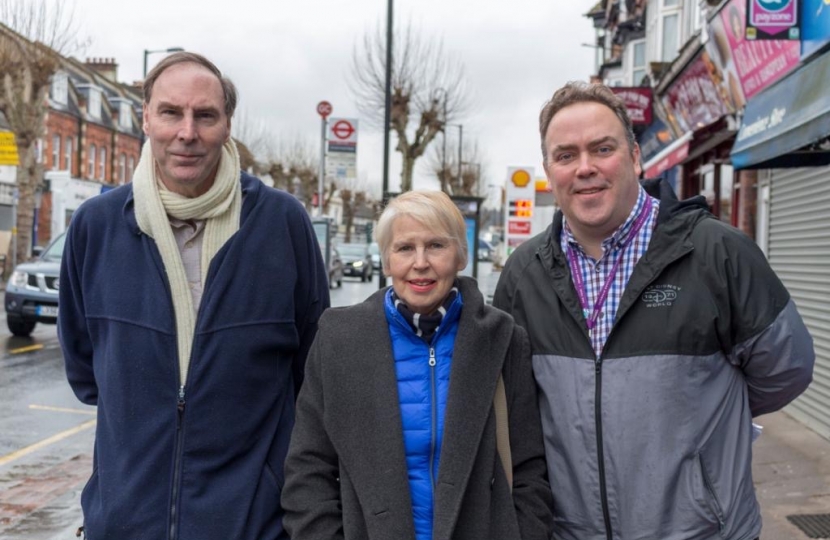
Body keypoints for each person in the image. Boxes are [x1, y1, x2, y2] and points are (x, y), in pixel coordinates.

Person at [493, 81, 814, 540]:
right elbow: (516, 408)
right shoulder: (524, 275)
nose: (585, 168)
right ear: (549, 170)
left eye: (602, 149)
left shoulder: (718, 254)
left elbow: (787, 369)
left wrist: (699, 426)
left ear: (635, 158)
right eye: (565, 156)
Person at [58, 52, 329, 540]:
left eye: (205, 115)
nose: (187, 132)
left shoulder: (281, 223)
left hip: (252, 524)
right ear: (146, 118)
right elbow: (86, 370)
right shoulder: (95, 227)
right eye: (170, 112)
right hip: (126, 522)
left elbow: (312, 371)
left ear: (227, 126)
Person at [282, 190, 554, 540]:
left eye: (436, 246)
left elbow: (529, 470)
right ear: (386, 260)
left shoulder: (503, 340)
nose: (420, 262)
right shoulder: (338, 340)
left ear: (460, 256)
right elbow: (307, 470)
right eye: (405, 248)